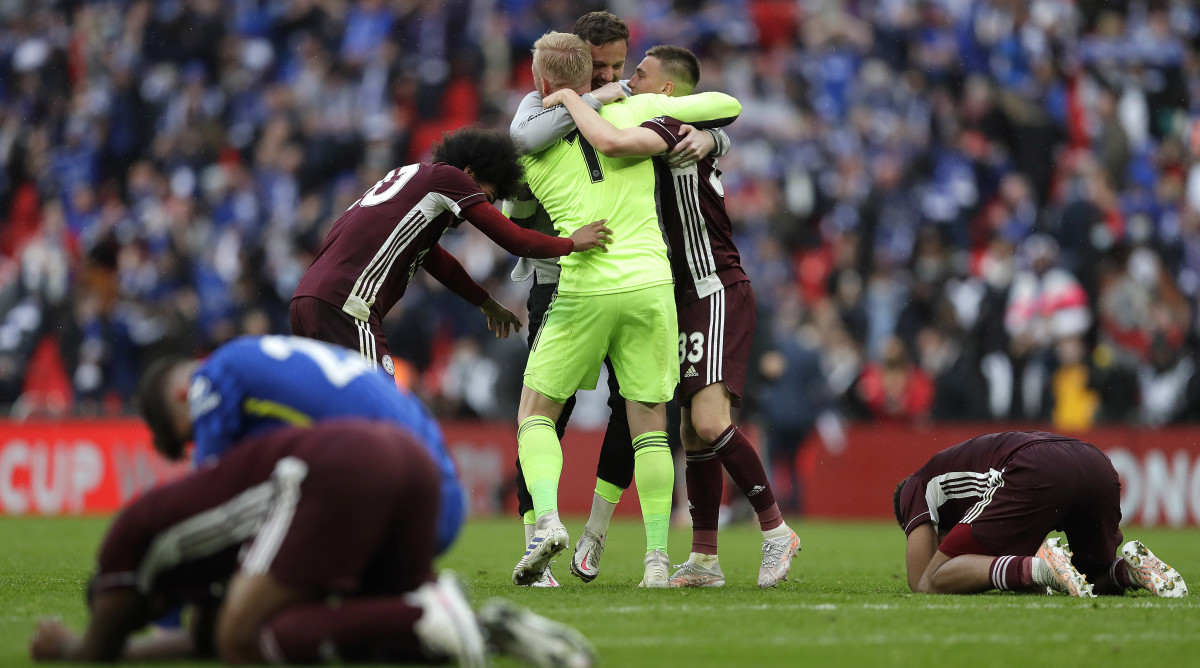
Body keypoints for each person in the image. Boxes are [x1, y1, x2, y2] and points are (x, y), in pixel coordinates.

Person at [542, 44, 801, 588]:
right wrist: (717, 138)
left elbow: (613, 141)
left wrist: (568, 96)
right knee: (690, 431)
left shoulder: (665, 123)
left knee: (708, 423)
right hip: (677, 293)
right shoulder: (678, 124)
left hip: (713, 286)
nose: (628, 80)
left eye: (639, 73)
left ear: (665, 90)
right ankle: (704, 559)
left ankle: (777, 530)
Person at [28, 420, 597, 666]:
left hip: (335, 474)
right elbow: (196, 642)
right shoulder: (191, 571)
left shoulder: (131, 539)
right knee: (305, 630)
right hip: (402, 459)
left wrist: (69, 647)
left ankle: (423, 615)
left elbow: (103, 642)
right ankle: (477, 628)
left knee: (241, 639)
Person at [510, 31, 741, 589]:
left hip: (582, 286)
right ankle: (657, 560)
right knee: (650, 427)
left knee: (536, 413)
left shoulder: (528, 146)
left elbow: (515, 213)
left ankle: (547, 524)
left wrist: (571, 103)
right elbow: (725, 103)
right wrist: (707, 134)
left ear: (542, 81)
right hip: (651, 283)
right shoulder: (640, 110)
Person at [290, 126, 611, 377]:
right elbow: (515, 240)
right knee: (381, 410)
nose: (480, 208)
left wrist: (485, 302)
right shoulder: (450, 178)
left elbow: (440, 262)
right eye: (486, 196)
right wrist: (571, 243)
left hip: (306, 300)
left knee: (327, 412)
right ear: (470, 174)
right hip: (346, 305)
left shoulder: (413, 182)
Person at [135, 334, 464, 555]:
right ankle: (423, 607)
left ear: (183, 395)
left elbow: (208, 499)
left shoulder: (209, 379)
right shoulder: (261, 357)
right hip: (443, 496)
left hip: (402, 503)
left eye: (192, 436)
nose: (201, 439)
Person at [894, 430, 1188, 597]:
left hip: (1036, 466)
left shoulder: (914, 486)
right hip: (1095, 461)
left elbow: (921, 581)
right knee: (1091, 575)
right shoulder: (967, 476)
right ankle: (1131, 571)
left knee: (934, 578)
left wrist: (1035, 572)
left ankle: (1042, 566)